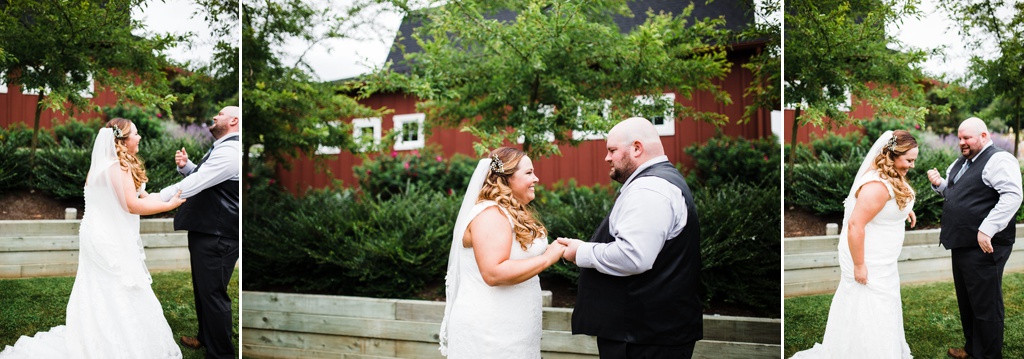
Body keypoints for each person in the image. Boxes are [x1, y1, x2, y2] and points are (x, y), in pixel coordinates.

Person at [0, 119, 186, 358]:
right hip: (109, 239)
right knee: (122, 286)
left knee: (98, 286)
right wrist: (168, 205)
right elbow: (132, 205)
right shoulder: (120, 167)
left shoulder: (99, 166)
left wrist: (168, 197)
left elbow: (144, 196)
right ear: (122, 140)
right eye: (136, 134)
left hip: (94, 236)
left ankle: (96, 335)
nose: (140, 138)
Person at [557, 117, 703, 358]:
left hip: (644, 339)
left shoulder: (649, 189)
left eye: (612, 150)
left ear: (636, 148)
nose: (607, 157)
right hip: (648, 333)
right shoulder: (658, 182)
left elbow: (633, 256)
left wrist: (580, 252)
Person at [790, 130, 919, 358]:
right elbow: (855, 225)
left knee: (883, 308)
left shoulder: (891, 177)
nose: (912, 165)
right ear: (893, 155)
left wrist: (904, 212)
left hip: (884, 259)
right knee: (868, 308)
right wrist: (859, 265)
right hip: (868, 259)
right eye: (909, 160)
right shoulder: (876, 186)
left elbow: (887, 206)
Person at [438, 147, 567, 358]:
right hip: (491, 331)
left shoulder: (511, 211)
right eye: (529, 173)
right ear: (506, 178)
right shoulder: (490, 214)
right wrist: (547, 258)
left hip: (515, 325)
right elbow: (493, 272)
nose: (536, 178)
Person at [926, 117, 1022, 359]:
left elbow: (1012, 195)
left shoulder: (999, 159)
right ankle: (972, 349)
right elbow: (957, 193)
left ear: (984, 136)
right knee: (968, 301)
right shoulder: (963, 162)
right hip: (962, 243)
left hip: (986, 245)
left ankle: (988, 355)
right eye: (959, 138)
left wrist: (987, 228)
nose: (962, 142)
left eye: (967, 137)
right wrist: (940, 185)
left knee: (985, 304)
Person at [158, 106, 241, 359]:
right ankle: (206, 337)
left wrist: (156, 198)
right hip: (207, 230)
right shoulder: (223, 147)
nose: (215, 116)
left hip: (218, 234)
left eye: (220, 113)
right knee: (204, 290)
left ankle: (221, 354)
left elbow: (197, 183)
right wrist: (187, 166)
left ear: (234, 120)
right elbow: (209, 178)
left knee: (213, 294)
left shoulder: (230, 151)